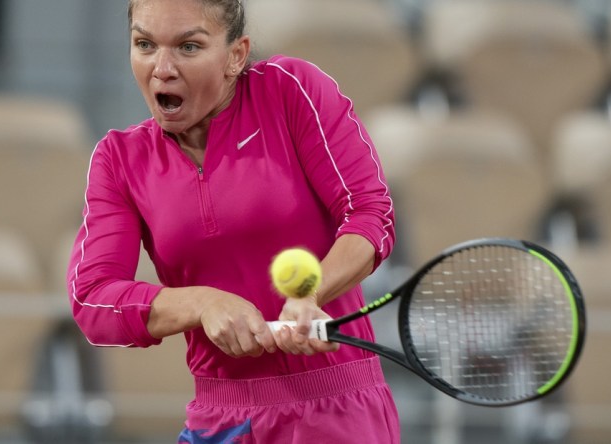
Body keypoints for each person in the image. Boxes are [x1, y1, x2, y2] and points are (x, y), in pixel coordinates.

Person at [67, 0, 399, 442]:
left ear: (236, 56)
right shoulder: (119, 159)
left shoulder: (291, 90)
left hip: (338, 414)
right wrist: (203, 304)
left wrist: (310, 292)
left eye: (188, 47)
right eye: (145, 44)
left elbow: (370, 212)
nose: (162, 68)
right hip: (219, 420)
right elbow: (93, 299)